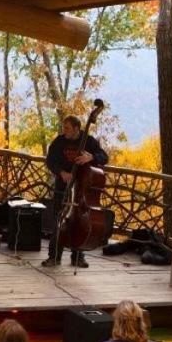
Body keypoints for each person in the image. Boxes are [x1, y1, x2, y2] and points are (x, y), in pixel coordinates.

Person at [43, 113, 109, 269]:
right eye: (63, 127)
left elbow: (104, 157)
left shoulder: (89, 141)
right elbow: (50, 161)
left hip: (81, 190)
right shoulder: (59, 142)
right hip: (62, 187)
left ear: (77, 128)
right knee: (59, 222)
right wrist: (61, 172)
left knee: (79, 222)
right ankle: (54, 257)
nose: (64, 130)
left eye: (67, 128)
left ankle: (78, 256)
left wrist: (91, 157)